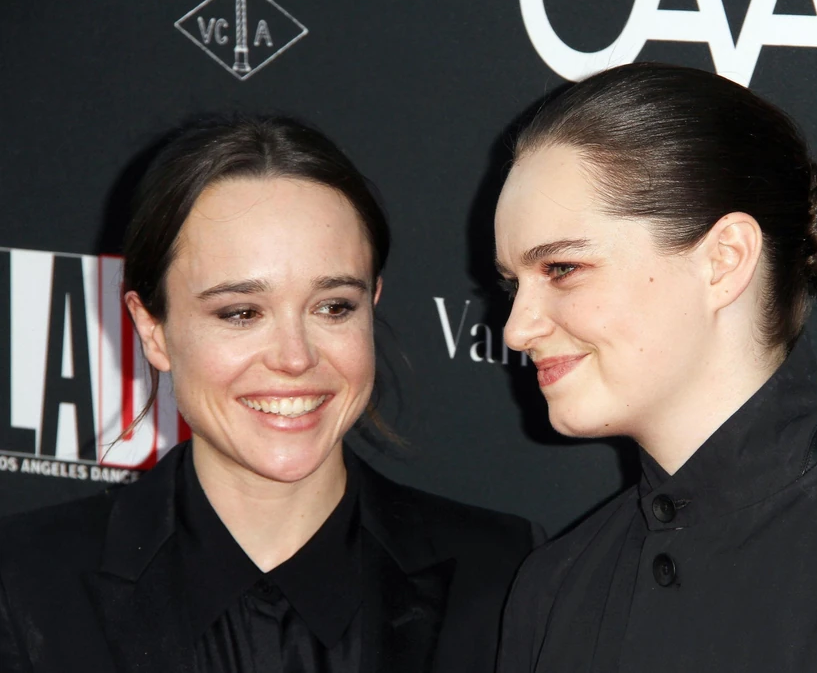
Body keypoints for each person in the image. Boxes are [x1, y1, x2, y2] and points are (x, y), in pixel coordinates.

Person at [0, 114, 538, 673]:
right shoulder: (26, 587)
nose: (295, 357)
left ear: (371, 305)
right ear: (153, 329)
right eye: (241, 313)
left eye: (333, 307)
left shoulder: (503, 576)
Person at [493, 63, 817, 672]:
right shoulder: (554, 587)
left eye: (562, 269)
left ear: (725, 260)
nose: (517, 329)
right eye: (513, 283)